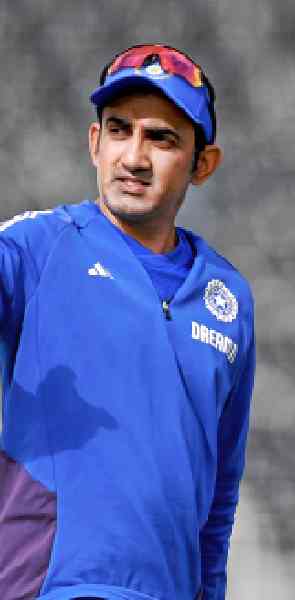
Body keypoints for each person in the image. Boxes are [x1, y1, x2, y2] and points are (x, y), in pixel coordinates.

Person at [0, 44, 255, 600]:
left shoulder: (227, 295)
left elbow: (221, 487)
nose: (134, 157)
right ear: (95, 144)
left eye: (161, 138)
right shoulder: (35, 249)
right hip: (50, 586)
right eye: (119, 130)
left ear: (202, 163)